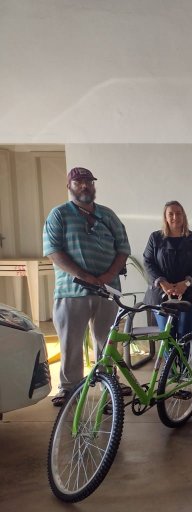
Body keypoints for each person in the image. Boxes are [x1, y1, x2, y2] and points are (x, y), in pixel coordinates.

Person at [43, 167, 131, 407]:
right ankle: (69, 388)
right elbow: (53, 251)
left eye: (89, 182)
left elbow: (123, 248)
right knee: (70, 342)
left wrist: (107, 275)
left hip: (107, 290)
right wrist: (84, 275)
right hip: (72, 292)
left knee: (107, 341)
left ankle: (108, 382)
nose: (85, 186)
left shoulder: (108, 215)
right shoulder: (59, 215)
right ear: (69, 186)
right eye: (79, 182)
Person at [143, 201, 192, 340]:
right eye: (171, 214)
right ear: (165, 217)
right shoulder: (155, 238)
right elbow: (148, 262)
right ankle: (170, 362)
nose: (175, 217)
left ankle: (184, 362)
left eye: (178, 213)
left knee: (184, 334)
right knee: (167, 335)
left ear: (183, 216)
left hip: (189, 293)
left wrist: (185, 283)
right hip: (161, 294)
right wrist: (162, 282)